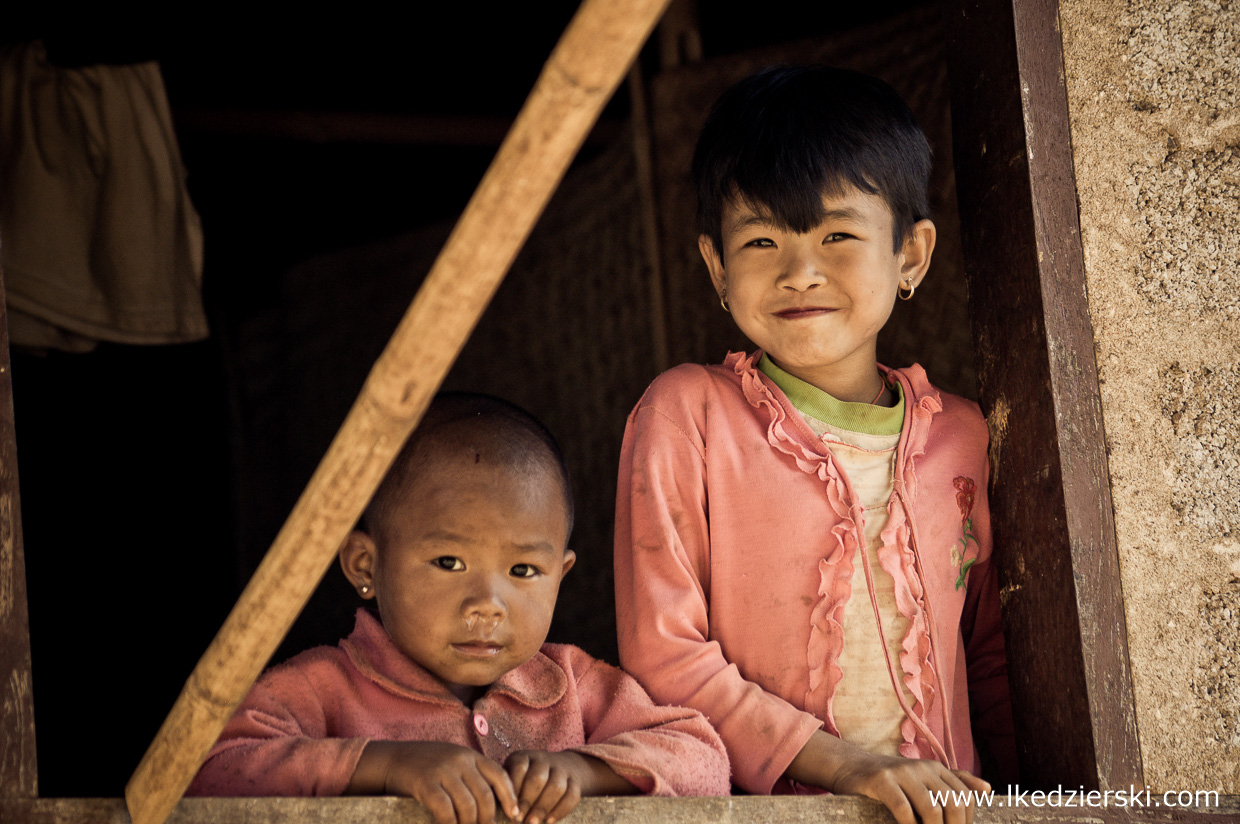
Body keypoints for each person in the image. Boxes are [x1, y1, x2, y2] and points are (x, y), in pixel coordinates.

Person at [613, 66, 1015, 824]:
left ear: (911, 255)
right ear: (716, 267)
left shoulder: (963, 436)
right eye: (762, 239)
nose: (801, 271)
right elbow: (664, 657)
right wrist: (848, 768)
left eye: (837, 234)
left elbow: (991, 655)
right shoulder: (685, 418)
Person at [190, 393, 730, 824]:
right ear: (364, 566)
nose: (487, 605)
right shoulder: (322, 690)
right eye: (449, 562)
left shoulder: (573, 687)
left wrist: (583, 771)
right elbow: (205, 772)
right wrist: (384, 765)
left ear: (560, 578)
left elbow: (705, 760)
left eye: (523, 572)